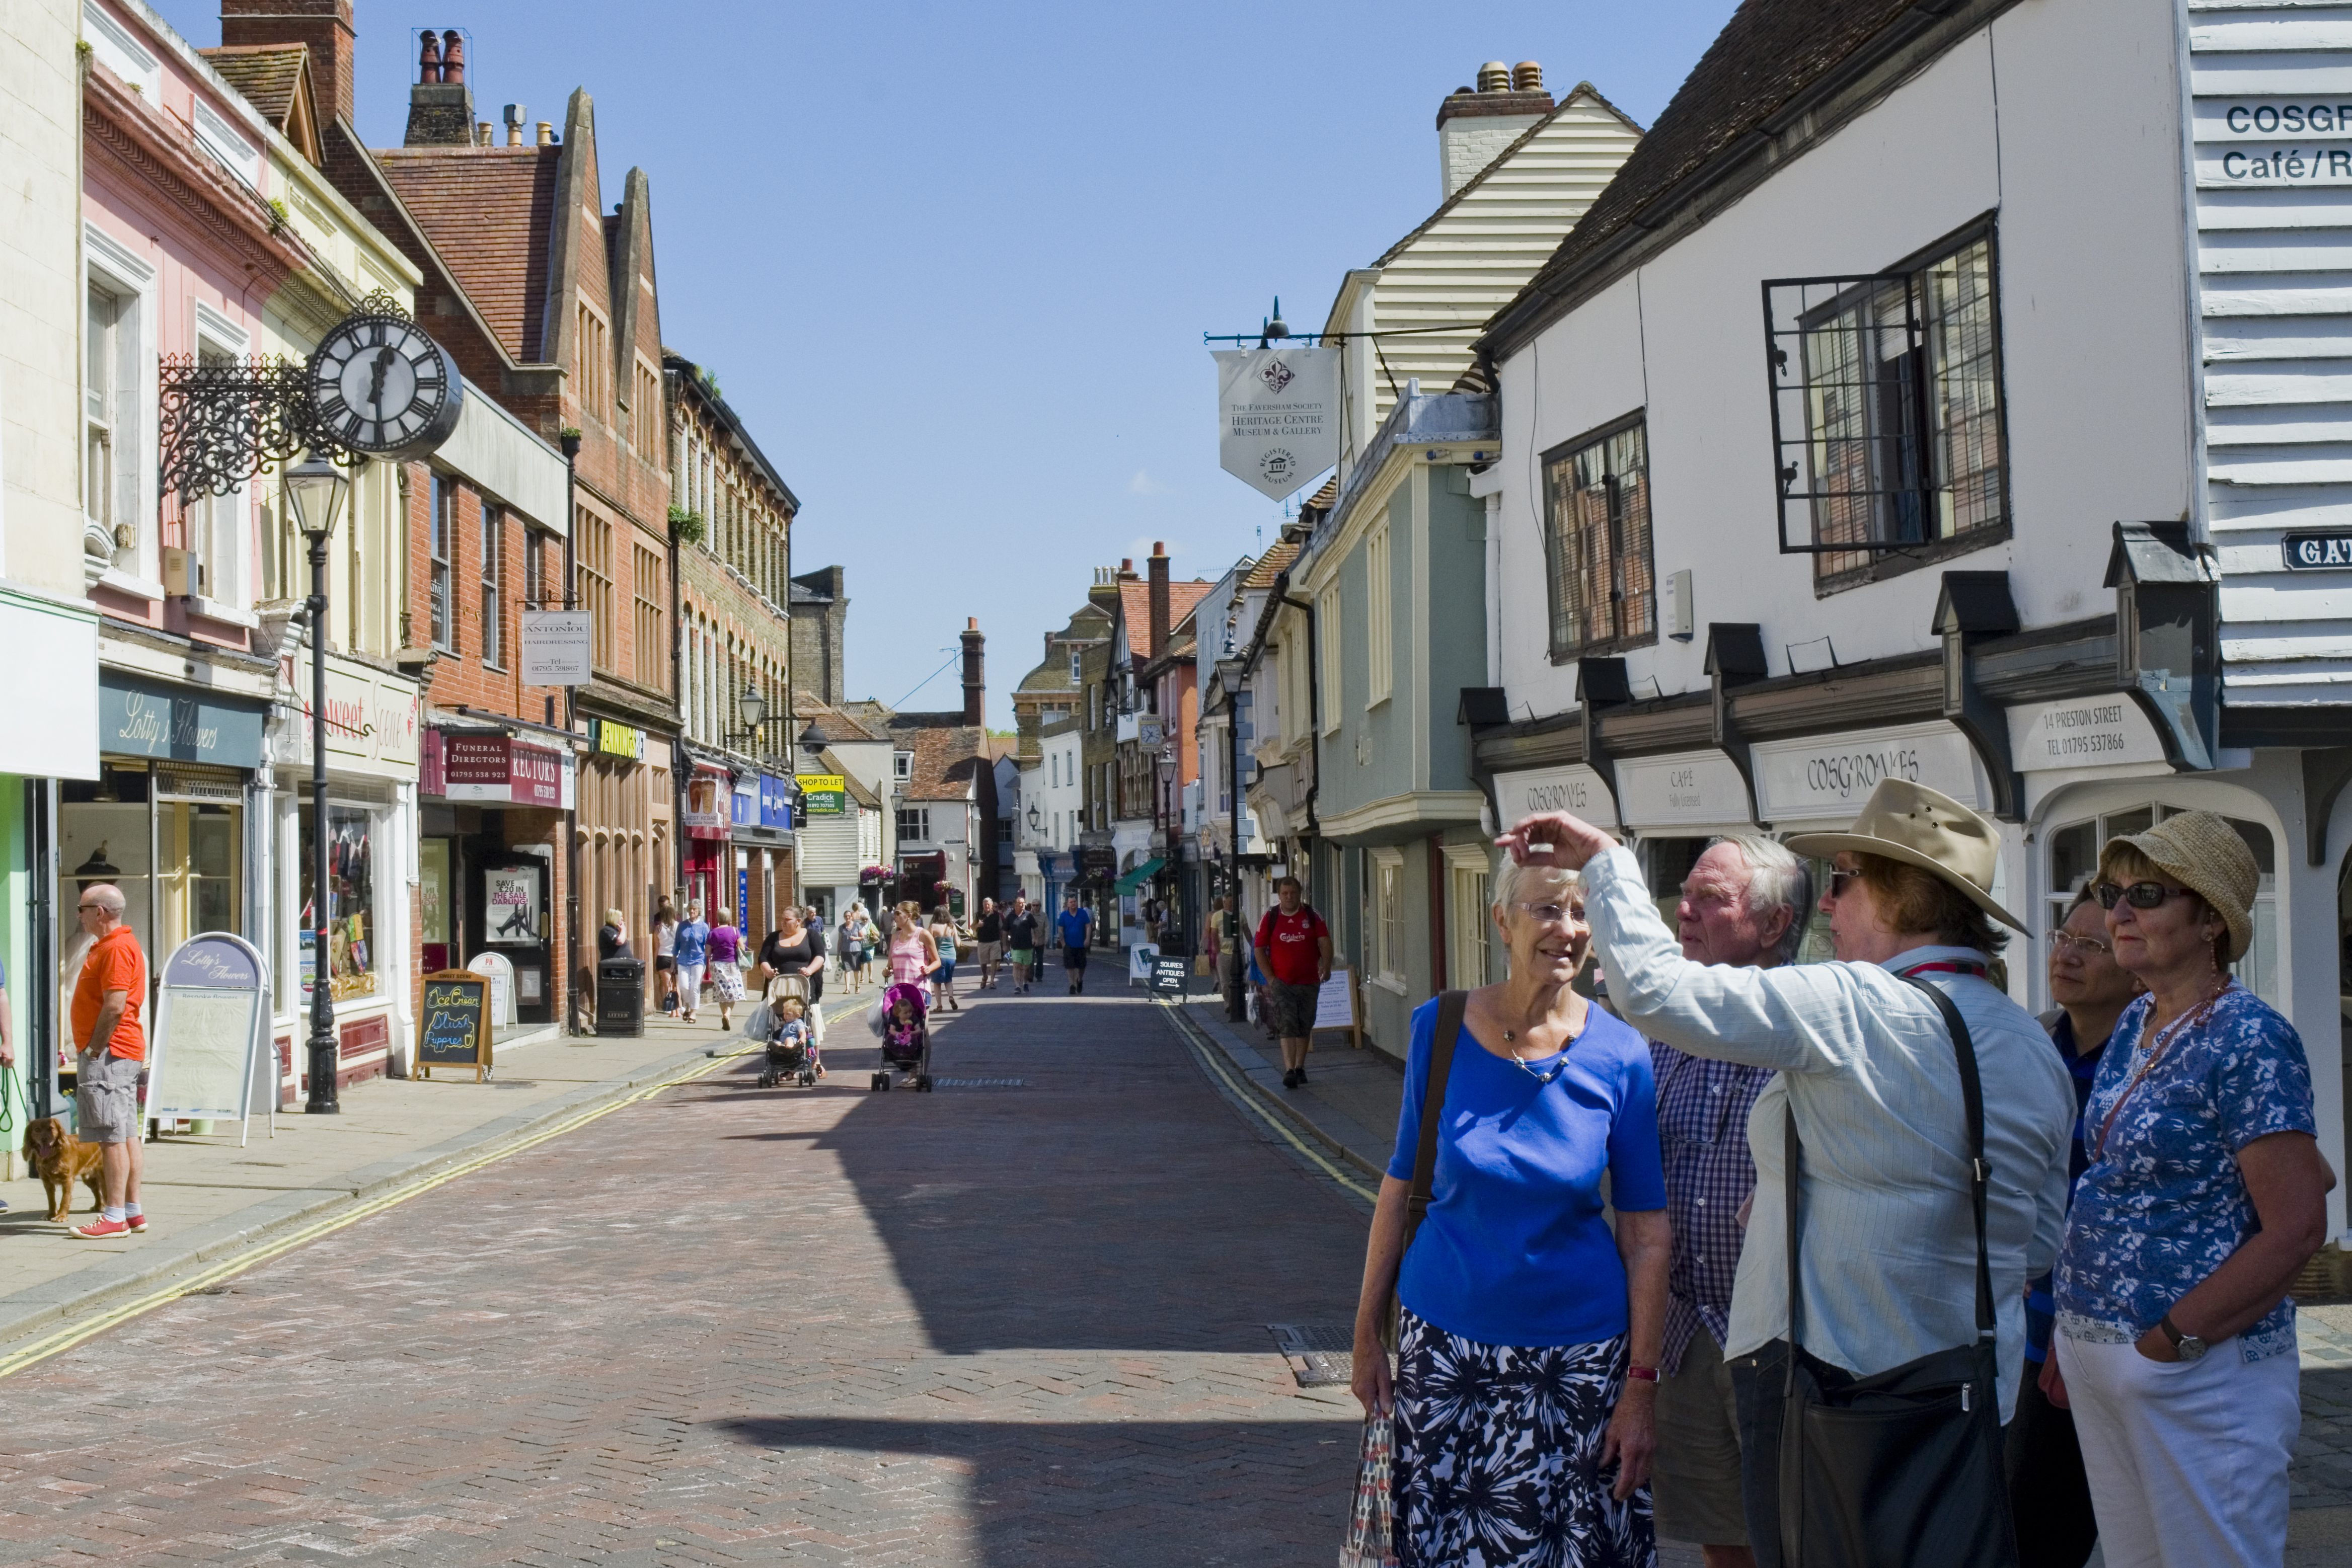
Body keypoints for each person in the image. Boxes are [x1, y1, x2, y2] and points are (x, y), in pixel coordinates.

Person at [1495, 779, 2073, 1568]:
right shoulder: (2030, 1041)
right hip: (1972, 1392)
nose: (1828, 907)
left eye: (1842, 881)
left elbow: (1658, 991)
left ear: (1899, 898)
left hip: (1836, 1389)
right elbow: (2038, 1239)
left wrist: (1605, 860)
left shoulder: (1862, 1003)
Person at [1350, 856, 1670, 1566]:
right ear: (1502, 920)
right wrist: (1367, 1333)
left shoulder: (1621, 1055)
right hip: (1444, 1351)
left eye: (1582, 913)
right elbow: (1401, 1188)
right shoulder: (1439, 1027)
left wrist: (1641, 1387)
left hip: (1579, 1366)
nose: (1567, 929)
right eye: (1546, 910)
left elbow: (1647, 1235)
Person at [2050, 812, 2334, 1568]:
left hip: (2193, 1372)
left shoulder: (2249, 1036)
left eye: (2146, 894)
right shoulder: (2139, 1016)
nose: (2117, 915)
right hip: (2103, 1355)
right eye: (2112, 894)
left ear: (2210, 918)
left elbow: (2300, 1222)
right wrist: (2075, 1333)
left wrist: (2173, 1338)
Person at [1649, 836, 1811, 1568]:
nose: (1683, 912)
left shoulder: (1815, 1027)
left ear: (1773, 925)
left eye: (1710, 898)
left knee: (1802, 1534)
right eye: (1684, 893)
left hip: (1786, 1340)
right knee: (1723, 1539)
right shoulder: (1662, 1028)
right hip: (1686, 1335)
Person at [2006, 885, 2139, 1568]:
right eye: (2064, 937)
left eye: (2092, 945)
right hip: (2028, 1328)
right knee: (2028, 1521)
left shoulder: (2153, 1057)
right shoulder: (2028, 1041)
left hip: (2126, 1332)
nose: (2068, 955)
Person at [67, 884, 149, 1240]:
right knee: (127, 1133)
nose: (78, 914)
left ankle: (113, 1215)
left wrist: (94, 1049)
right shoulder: (114, 945)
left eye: (81, 908)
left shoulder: (115, 948)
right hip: (120, 1052)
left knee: (111, 1137)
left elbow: (114, 1005)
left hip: (110, 1054)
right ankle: (132, 1211)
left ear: (99, 912)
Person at [1254, 876, 1331, 1089]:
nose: (1289, 897)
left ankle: (1300, 1067)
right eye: (1285, 893)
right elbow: (1259, 949)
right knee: (1287, 1024)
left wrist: (1326, 966)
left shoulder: (1312, 916)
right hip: (1283, 983)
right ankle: (1289, 1070)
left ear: (1300, 894)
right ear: (1279, 896)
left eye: (1293, 893)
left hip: (1309, 981)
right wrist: (1270, 979)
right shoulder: (1270, 917)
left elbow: (1325, 942)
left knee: (1304, 1024)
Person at [757, 907, 828, 1058]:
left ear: (798, 922)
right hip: (780, 990)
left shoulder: (811, 935)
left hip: (804, 987)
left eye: (787, 920)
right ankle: (784, 1060)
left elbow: (820, 956)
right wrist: (768, 971)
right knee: (778, 1020)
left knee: (811, 1022)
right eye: (782, 919)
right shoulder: (773, 937)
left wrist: (810, 970)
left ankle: (816, 1060)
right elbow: (763, 958)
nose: (782, 922)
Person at [886, 905, 940, 1003]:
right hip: (899, 992)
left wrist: (929, 968)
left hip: (919, 990)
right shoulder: (895, 936)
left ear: (909, 916)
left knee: (916, 1020)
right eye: (895, 914)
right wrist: (887, 971)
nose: (895, 917)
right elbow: (890, 966)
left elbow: (937, 961)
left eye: (898, 913)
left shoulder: (924, 934)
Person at [707, 907, 744, 1031]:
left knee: (721, 992)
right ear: (729, 918)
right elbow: (742, 948)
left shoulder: (712, 933)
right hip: (731, 964)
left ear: (718, 918)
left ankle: (725, 1016)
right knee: (733, 992)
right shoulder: (735, 931)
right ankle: (727, 1014)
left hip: (717, 965)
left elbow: (707, 952)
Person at [672, 903, 710, 1025]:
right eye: (690, 909)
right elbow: (676, 944)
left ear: (699, 911)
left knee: (695, 986)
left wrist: (709, 960)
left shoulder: (704, 927)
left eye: (695, 909)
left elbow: (708, 945)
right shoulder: (682, 926)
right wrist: (673, 962)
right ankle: (688, 1006)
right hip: (683, 960)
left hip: (698, 960)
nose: (692, 911)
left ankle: (693, 1013)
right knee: (684, 986)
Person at [1055, 893, 1093, 995]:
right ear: (1068, 904)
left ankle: (1080, 980)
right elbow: (1060, 930)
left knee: (1082, 966)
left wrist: (1087, 939)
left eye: (1075, 902)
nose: (1073, 904)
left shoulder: (1082, 913)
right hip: (1069, 945)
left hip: (1081, 945)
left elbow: (1088, 927)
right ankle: (1072, 985)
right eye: (1071, 902)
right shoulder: (1064, 915)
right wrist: (1063, 944)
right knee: (1070, 966)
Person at [1003, 895, 1040, 996]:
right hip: (1015, 946)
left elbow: (1036, 928)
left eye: (1024, 903)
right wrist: (1005, 945)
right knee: (1016, 966)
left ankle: (1025, 983)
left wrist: (1037, 939)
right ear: (1016, 905)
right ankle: (1017, 987)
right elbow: (1005, 932)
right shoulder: (1010, 917)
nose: (1023, 905)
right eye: (1021, 903)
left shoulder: (1028, 915)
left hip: (1028, 946)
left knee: (1026, 968)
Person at [929, 906, 964, 1011]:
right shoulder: (952, 926)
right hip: (951, 957)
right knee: (948, 980)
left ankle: (939, 1006)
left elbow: (928, 943)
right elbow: (957, 944)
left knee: (937, 983)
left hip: (938, 958)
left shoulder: (933, 927)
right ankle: (951, 997)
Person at [652, 896, 679, 1012]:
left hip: (662, 958)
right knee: (676, 986)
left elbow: (656, 947)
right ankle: (678, 1009)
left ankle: (670, 1009)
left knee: (667, 985)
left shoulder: (658, 928)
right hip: (676, 958)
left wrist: (654, 963)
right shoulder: (679, 926)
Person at [973, 898, 1004, 990]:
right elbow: (972, 927)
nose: (987, 906)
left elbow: (1001, 928)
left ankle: (992, 982)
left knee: (994, 960)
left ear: (992, 905)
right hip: (983, 942)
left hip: (995, 941)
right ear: (983, 905)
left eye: (988, 905)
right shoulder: (978, 915)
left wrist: (1003, 941)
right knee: (983, 963)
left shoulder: (997, 915)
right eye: (985, 904)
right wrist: (977, 926)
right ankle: (985, 976)